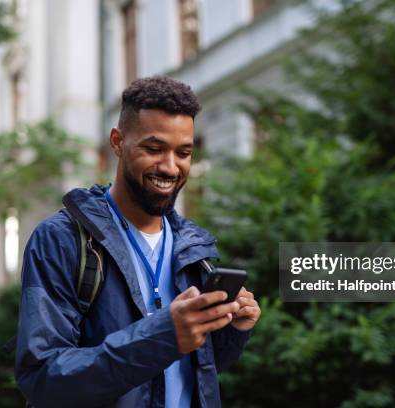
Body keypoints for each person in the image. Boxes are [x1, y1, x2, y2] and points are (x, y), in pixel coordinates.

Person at [14, 76, 261, 408]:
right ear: (118, 142)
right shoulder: (61, 240)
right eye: (154, 148)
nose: (171, 167)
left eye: (184, 152)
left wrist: (232, 330)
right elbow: (43, 378)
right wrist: (162, 336)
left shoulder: (193, 248)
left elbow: (195, 369)